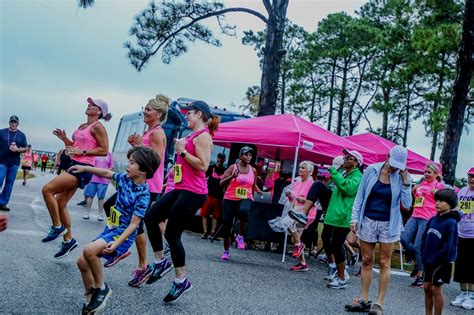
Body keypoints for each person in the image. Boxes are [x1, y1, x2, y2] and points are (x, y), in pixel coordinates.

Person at [144, 100, 219, 303]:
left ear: (201, 115)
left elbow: (203, 166)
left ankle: (181, 280)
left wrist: (182, 151)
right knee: (151, 217)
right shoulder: (191, 135)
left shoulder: (203, 137)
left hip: (194, 192)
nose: (186, 116)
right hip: (180, 189)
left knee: (172, 234)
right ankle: (160, 262)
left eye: (190, 113)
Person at [73, 147, 160, 314]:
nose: (127, 165)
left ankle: (101, 288)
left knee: (88, 250)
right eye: (129, 161)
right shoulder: (125, 179)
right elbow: (106, 173)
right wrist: (85, 168)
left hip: (122, 235)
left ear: (143, 170)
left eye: (132, 163)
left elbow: (134, 225)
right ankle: (92, 300)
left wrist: (117, 243)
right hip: (111, 228)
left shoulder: (143, 195)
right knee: (82, 262)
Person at [41, 97, 111, 259]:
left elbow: (104, 150)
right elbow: (76, 147)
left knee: (47, 190)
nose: (89, 105)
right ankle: (68, 240)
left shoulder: (98, 127)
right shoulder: (83, 126)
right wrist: (65, 140)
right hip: (74, 164)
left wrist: (83, 152)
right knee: (60, 203)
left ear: (99, 111)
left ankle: (57, 226)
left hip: (84, 168)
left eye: (93, 105)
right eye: (89, 103)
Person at [346, 145, 412, 314]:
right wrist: (354, 218)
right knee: (367, 260)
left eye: (399, 165)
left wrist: (405, 184)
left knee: (384, 262)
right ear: (387, 156)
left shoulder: (403, 176)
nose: (394, 167)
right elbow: (360, 196)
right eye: (393, 163)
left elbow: (407, 204)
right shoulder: (372, 170)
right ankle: (364, 299)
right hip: (368, 219)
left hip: (389, 223)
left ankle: (379, 303)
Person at [124, 94, 168, 287]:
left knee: (138, 222)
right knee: (137, 220)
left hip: (149, 185)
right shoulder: (149, 130)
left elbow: (155, 162)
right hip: (140, 183)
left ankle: (145, 265)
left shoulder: (157, 133)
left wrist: (140, 147)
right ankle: (145, 264)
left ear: (158, 114)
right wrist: (137, 147)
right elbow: (144, 156)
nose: (145, 111)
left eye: (148, 109)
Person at [401, 163, 444, 287]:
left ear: (436, 174)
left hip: (427, 218)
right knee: (403, 238)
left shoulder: (438, 186)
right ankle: (416, 263)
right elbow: (416, 196)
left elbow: (442, 202)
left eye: (429, 172)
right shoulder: (421, 184)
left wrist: (437, 194)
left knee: (417, 246)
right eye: (425, 172)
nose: (426, 174)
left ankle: (420, 276)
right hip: (415, 215)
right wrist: (414, 189)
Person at [421, 188, 460, 315]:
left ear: (450, 204)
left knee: (435, 289)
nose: (437, 203)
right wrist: (423, 253)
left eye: (442, 200)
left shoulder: (451, 222)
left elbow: (449, 246)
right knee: (426, 287)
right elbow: (424, 238)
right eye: (436, 200)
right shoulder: (432, 220)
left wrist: (437, 257)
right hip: (428, 260)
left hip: (441, 263)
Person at [219, 146, 260, 260]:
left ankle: (240, 236)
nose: (248, 157)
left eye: (250, 155)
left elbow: (254, 184)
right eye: (246, 154)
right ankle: (226, 251)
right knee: (227, 227)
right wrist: (232, 176)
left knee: (244, 211)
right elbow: (221, 183)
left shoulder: (253, 170)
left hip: (246, 196)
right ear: (240, 155)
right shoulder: (233, 167)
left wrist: (257, 189)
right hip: (230, 198)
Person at [450, 167, 474, 310]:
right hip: (461, 233)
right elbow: (459, 209)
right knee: (460, 264)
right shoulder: (463, 192)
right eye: (470, 176)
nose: (472, 179)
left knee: (472, 265)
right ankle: (463, 293)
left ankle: (472, 295)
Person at [0, 115, 28, 211]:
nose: (13, 123)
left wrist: (17, 149)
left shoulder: (21, 135)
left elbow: (25, 148)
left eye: (15, 122)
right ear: (9, 122)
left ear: (18, 124)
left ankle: (3, 203)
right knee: (0, 179)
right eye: (12, 122)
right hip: (2, 161)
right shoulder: (2, 132)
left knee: (9, 183)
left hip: (14, 163)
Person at [200, 152, 226, 239]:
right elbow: (203, 177)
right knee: (204, 213)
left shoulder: (225, 171)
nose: (219, 160)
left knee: (216, 215)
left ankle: (212, 233)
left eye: (221, 158)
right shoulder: (211, 168)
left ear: (224, 160)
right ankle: (205, 232)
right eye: (218, 158)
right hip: (208, 194)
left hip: (218, 196)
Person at [82, 152, 114, 221]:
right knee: (90, 196)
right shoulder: (94, 153)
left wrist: (103, 173)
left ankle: (100, 214)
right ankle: (87, 212)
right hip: (93, 178)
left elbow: (111, 167)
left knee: (101, 197)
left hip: (104, 179)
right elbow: (89, 164)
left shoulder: (109, 154)